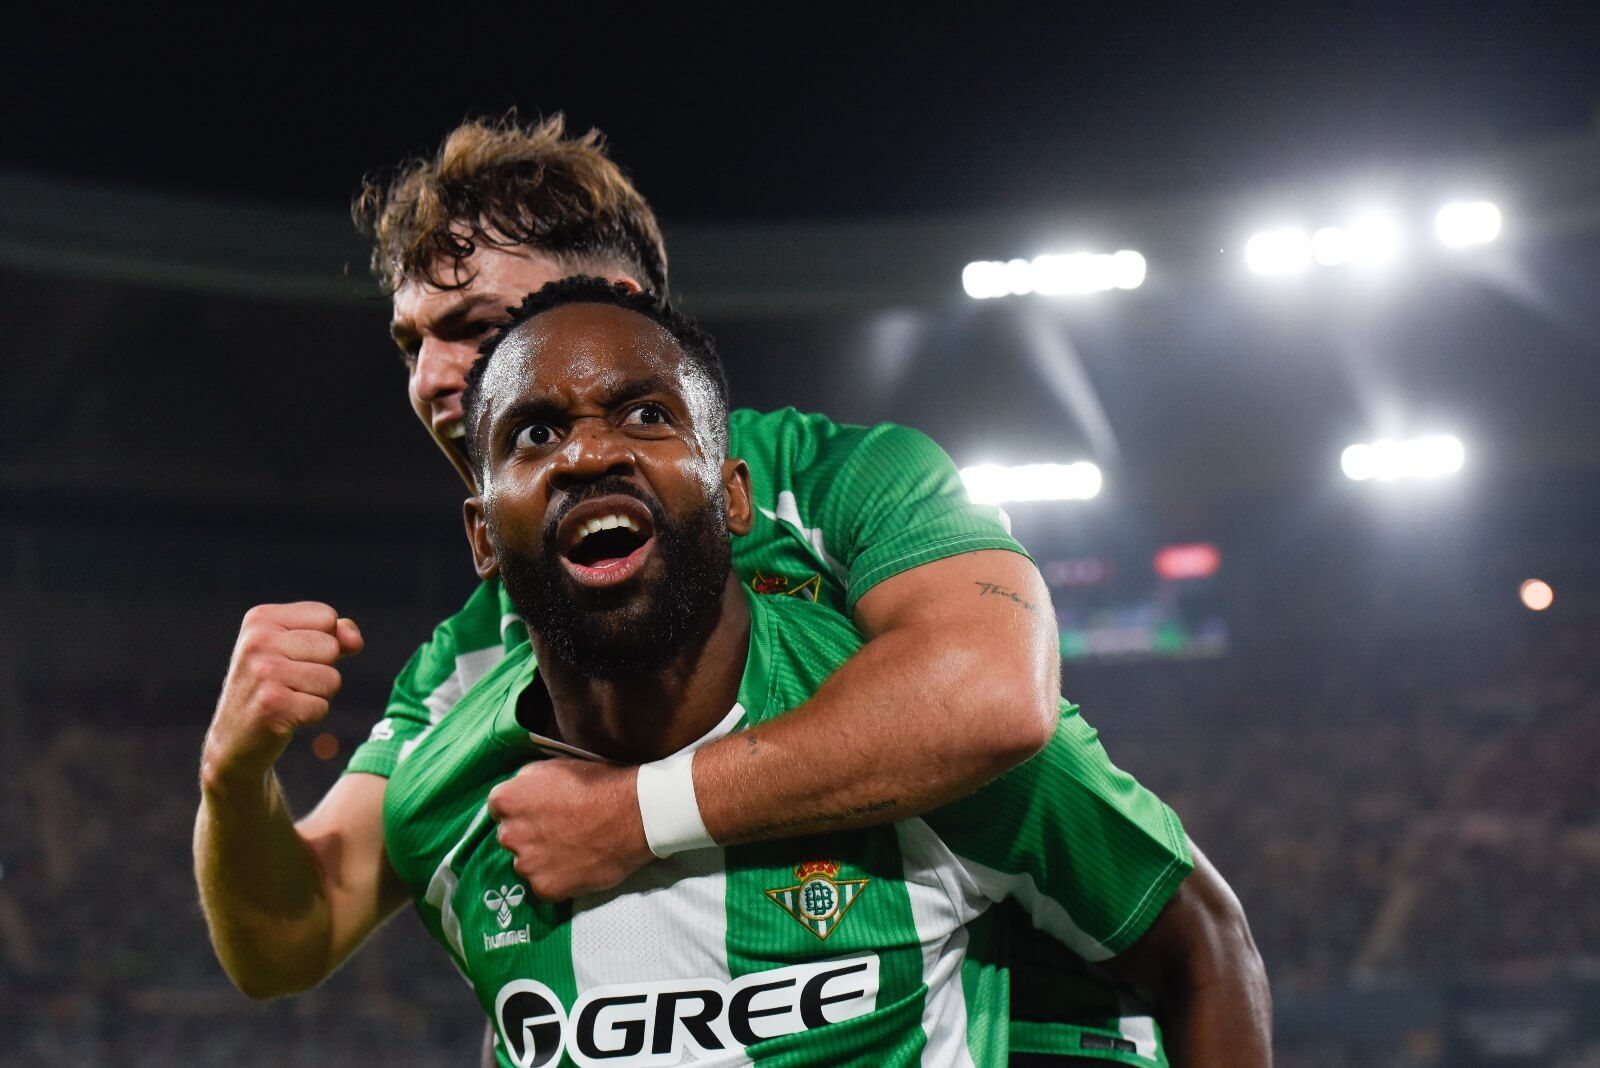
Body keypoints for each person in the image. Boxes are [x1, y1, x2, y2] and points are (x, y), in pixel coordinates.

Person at [193, 115, 1268, 1064]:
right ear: (482, 535)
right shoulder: (465, 665)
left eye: (472, 327)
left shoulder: (842, 485)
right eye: (410, 342)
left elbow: (992, 697)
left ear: (611, 311)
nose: (431, 377)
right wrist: (233, 780)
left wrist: (635, 814)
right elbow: (291, 938)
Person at [396, 277, 1264, 1065]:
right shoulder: (440, 809)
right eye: (536, 433)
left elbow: (1205, 948)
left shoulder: (915, 729)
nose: (589, 455)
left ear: (735, 496)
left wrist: (639, 814)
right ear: (481, 536)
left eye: (647, 416)